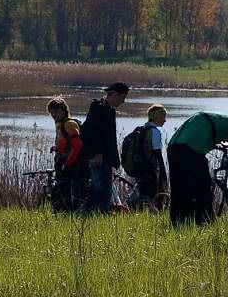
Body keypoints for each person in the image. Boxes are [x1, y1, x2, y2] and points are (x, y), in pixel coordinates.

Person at [166, 111, 228, 226]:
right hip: (190, 150)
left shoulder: (211, 118)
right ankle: (205, 224)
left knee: (180, 191)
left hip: (173, 148)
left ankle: (178, 225)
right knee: (203, 190)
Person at [83, 82, 128, 213]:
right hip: (100, 157)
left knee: (102, 189)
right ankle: (98, 214)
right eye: (122, 97)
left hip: (105, 157)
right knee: (101, 189)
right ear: (113, 94)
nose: (123, 101)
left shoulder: (108, 109)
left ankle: (94, 214)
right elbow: (88, 131)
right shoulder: (99, 107)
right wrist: (98, 152)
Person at [47, 97, 87, 214]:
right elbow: (67, 144)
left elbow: (77, 145)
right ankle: (62, 215)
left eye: (57, 111)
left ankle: (64, 215)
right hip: (64, 163)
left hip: (72, 165)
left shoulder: (69, 124)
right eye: (52, 112)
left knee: (64, 193)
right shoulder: (60, 124)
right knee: (61, 191)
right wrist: (57, 148)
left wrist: (67, 164)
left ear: (64, 110)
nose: (54, 115)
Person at [126, 104, 168, 210]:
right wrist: (163, 175)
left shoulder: (143, 130)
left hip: (140, 169)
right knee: (151, 197)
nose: (165, 120)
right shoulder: (154, 132)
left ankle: (138, 213)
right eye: (163, 117)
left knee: (143, 194)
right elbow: (158, 155)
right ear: (155, 117)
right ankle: (148, 216)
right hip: (150, 171)